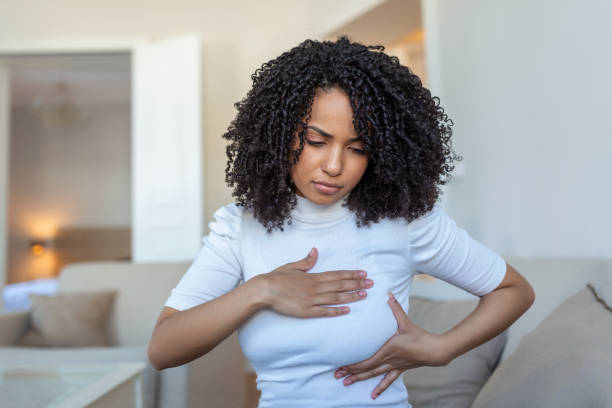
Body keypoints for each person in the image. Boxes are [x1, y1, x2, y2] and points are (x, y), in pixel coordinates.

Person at [148, 37, 535, 408]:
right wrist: (260, 290)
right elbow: (163, 349)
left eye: (357, 148)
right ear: (279, 135)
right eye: (317, 141)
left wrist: (442, 348)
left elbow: (513, 290)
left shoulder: (404, 222)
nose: (334, 166)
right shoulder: (239, 228)